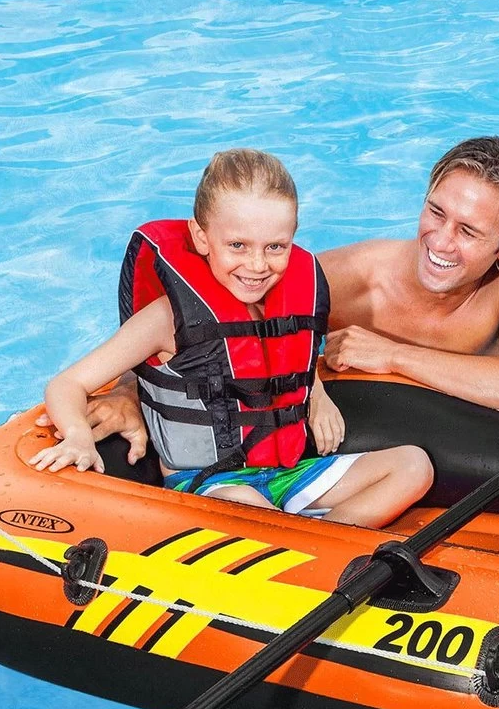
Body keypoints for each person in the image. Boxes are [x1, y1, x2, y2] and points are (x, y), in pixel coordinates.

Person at [50, 136, 499, 461]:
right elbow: (205, 321)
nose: (440, 241)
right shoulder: (347, 280)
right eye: (435, 212)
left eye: (468, 231)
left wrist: (392, 355)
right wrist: (131, 392)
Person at [30, 149, 432, 528]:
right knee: (250, 504)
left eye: (275, 247)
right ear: (201, 237)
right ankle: (301, 539)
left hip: (285, 474)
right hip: (210, 484)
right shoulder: (166, 318)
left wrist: (317, 394)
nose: (257, 265)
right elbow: (67, 383)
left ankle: (328, 536)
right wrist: (79, 438)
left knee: (414, 465)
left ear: (293, 237)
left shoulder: (290, 301)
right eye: (237, 245)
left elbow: (289, 362)